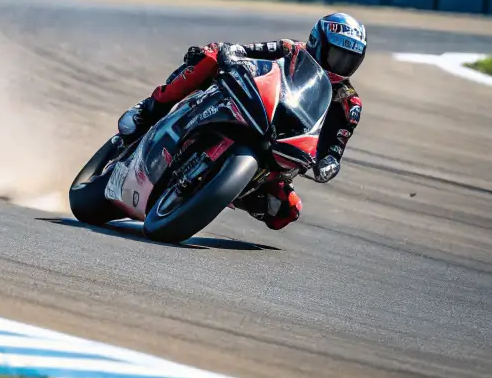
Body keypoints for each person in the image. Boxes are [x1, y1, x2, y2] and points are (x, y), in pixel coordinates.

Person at [116, 12, 366, 230]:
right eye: (338, 55)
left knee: (287, 212)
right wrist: (235, 52)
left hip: (281, 149)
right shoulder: (291, 50)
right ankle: (148, 109)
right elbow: (249, 51)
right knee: (211, 55)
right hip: (251, 107)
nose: (342, 65)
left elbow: (335, 146)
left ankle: (225, 190)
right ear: (318, 43)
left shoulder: (349, 104)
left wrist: (329, 163)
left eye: (350, 60)